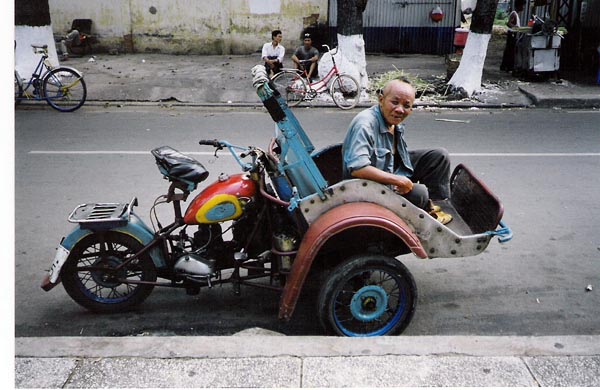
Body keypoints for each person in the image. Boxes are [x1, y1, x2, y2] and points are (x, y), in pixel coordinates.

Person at [342, 78, 453, 224]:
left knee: (439, 157)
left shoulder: (391, 121)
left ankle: (435, 206)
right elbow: (357, 168)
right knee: (420, 193)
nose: (400, 110)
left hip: (389, 168)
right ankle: (424, 219)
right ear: (381, 100)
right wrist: (397, 180)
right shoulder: (365, 124)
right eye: (394, 102)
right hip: (368, 188)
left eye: (406, 106)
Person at [500, 0, 525, 71]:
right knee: (510, 51)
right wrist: (516, 28)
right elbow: (508, 23)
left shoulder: (516, 14)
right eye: (522, 6)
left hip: (513, 34)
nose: (523, 8)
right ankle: (508, 67)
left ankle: (506, 66)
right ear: (519, 6)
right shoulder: (514, 14)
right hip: (512, 34)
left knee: (509, 51)